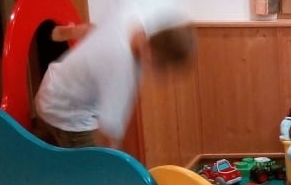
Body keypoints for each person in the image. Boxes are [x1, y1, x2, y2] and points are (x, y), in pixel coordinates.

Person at [34, 9, 195, 149]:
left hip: (52, 82)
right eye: (158, 66)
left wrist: (63, 33)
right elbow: (108, 136)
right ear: (151, 54)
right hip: (62, 110)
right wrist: (112, 164)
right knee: (95, 167)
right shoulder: (122, 71)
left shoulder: (128, 18)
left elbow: (91, 31)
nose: (154, 72)